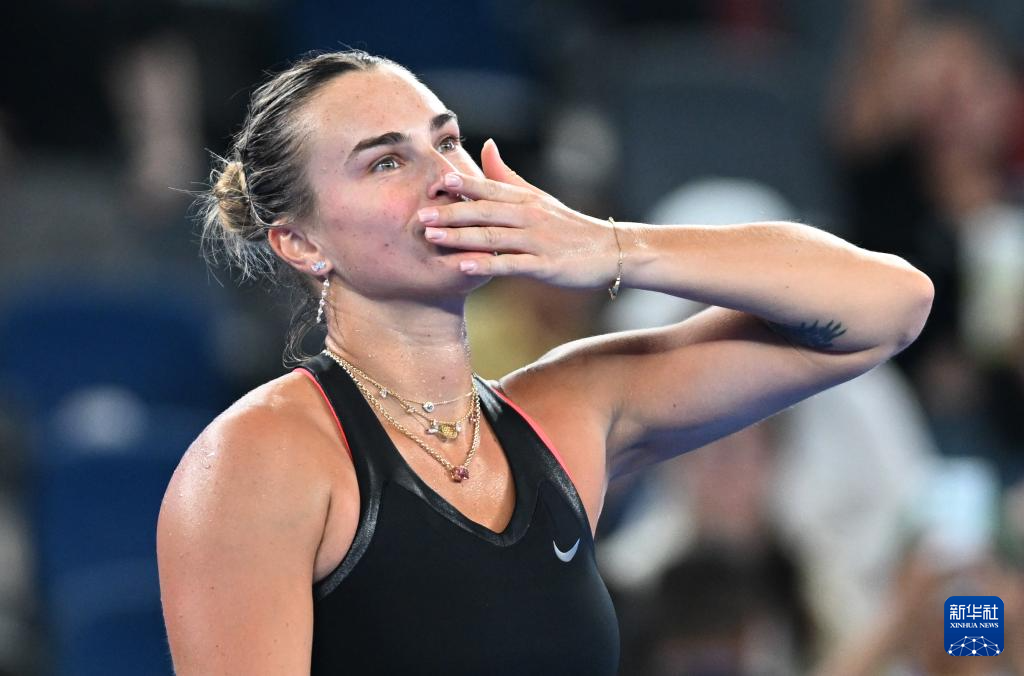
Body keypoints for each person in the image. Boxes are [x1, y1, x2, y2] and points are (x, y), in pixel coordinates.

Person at [156, 50, 934, 675]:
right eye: (386, 161)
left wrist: (610, 245)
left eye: (447, 141)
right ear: (300, 242)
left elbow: (891, 306)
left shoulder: (569, 413)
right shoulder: (260, 460)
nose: (446, 176)